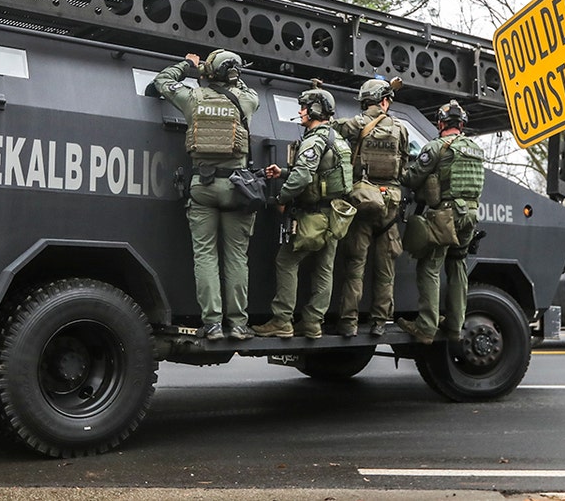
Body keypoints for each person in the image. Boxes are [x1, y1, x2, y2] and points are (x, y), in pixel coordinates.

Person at [153, 50, 260, 341]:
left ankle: (212, 324)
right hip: (238, 189)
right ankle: (238, 324)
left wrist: (189, 64)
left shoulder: (193, 98)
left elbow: (163, 81)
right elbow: (247, 90)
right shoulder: (247, 101)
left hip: (203, 187)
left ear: (209, 72)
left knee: (205, 257)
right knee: (237, 258)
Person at [253, 86, 352, 340]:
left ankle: (282, 320)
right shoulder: (338, 139)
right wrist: (283, 172)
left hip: (312, 216)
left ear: (315, 109)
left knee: (286, 261)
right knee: (324, 269)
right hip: (334, 216)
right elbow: (324, 174)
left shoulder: (314, 139)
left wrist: (281, 197)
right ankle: (312, 323)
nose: (300, 112)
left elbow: (303, 176)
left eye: (304, 107)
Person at [396, 100, 485, 344]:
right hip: (471, 215)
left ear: (441, 123)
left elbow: (413, 179)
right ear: (463, 124)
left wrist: (400, 172)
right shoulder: (475, 149)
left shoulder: (436, 147)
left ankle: (426, 327)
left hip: (447, 215)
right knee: (457, 265)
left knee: (429, 267)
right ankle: (456, 325)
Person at [332, 79, 413, 337]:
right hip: (390, 203)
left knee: (355, 266)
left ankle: (348, 322)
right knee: (385, 269)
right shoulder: (400, 129)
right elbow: (405, 166)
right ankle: (379, 322)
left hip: (363, 201)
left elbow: (330, 128)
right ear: (385, 101)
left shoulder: (355, 125)